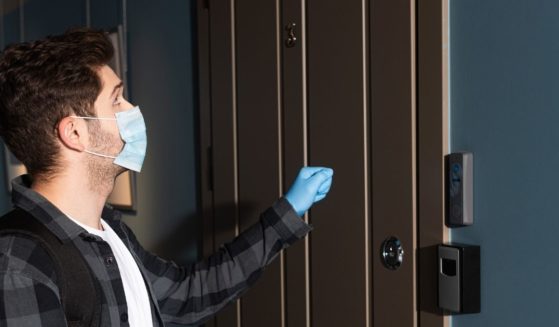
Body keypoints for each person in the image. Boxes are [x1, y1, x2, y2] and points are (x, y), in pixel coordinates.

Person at [0, 28, 333, 326]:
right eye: (116, 100)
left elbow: (188, 295)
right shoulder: (20, 261)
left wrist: (287, 213)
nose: (131, 109)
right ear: (74, 132)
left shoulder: (109, 233)